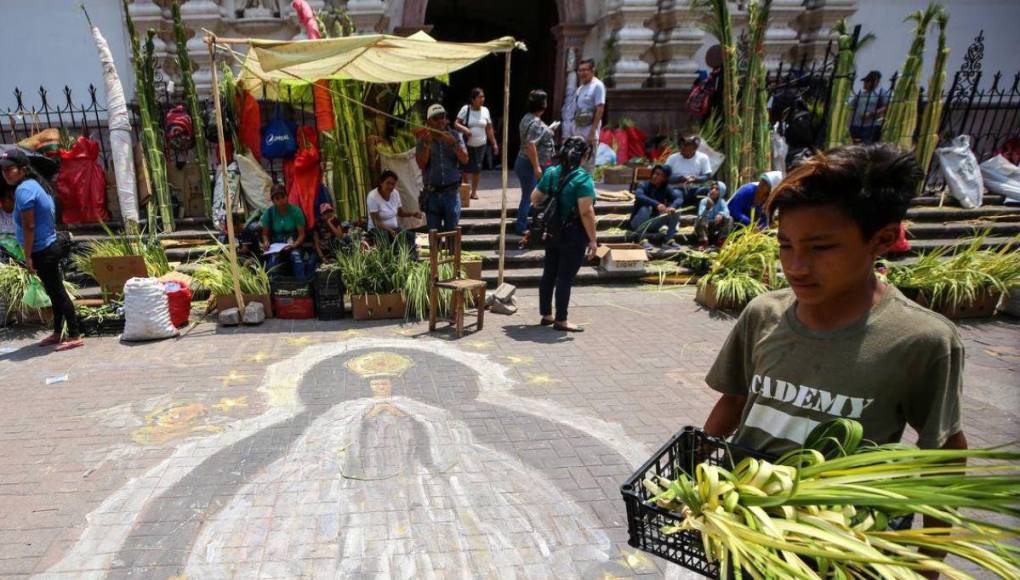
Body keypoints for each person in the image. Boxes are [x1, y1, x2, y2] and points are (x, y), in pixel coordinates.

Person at [702, 146, 968, 521]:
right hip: (747, 523)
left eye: (821, 248)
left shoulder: (922, 340)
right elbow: (734, 401)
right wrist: (691, 471)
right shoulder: (764, 314)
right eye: (785, 245)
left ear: (882, 239)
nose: (795, 267)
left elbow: (943, 456)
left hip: (841, 541)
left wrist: (928, 562)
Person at [1, 148, 82, 350]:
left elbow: (29, 226)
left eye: (10, 169)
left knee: (58, 293)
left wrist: (27, 256)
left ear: (22, 169)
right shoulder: (33, 185)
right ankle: (57, 332)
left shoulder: (24, 190)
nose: (5, 173)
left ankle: (74, 334)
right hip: (46, 246)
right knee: (54, 292)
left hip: (42, 249)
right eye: (3, 170)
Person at [530, 137, 598, 332]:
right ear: (584, 155)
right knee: (565, 277)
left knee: (549, 273)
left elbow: (534, 199)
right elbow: (586, 211)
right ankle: (561, 320)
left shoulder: (551, 172)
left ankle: (546, 315)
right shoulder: (583, 178)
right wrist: (593, 240)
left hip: (551, 230)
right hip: (573, 233)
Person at [416, 104, 468, 232]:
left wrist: (454, 144)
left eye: (442, 117)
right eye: (436, 118)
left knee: (452, 233)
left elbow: (465, 159)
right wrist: (427, 145)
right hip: (432, 194)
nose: (440, 121)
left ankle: (452, 252)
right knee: (434, 235)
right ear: (429, 122)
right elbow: (421, 165)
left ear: (446, 119)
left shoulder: (455, 135)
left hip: (451, 193)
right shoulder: (422, 139)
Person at [514, 89, 557, 236]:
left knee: (530, 195)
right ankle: (521, 226)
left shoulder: (527, 118)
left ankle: (528, 221)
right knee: (529, 195)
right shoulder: (535, 122)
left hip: (524, 162)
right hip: (528, 164)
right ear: (543, 105)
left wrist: (548, 130)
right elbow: (530, 145)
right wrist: (537, 167)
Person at [261, 184, 314, 279]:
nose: (281, 201)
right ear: (273, 201)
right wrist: (266, 242)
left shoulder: (296, 211)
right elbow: (265, 234)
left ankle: (301, 287)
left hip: (294, 244)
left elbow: (302, 234)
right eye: (277, 199)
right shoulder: (268, 214)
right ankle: (276, 288)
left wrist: (295, 244)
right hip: (277, 247)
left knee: (296, 257)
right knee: (272, 264)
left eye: (283, 197)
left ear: (287, 196)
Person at [455, 88, 498, 200]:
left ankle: (474, 192)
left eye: (483, 97)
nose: (482, 99)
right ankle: (466, 190)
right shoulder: (466, 109)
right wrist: (465, 130)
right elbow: (456, 124)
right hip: (466, 144)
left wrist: (494, 143)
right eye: (480, 97)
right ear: (473, 99)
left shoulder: (485, 111)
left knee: (477, 169)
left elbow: (489, 128)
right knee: (464, 168)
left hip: (481, 145)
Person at [629, 164, 683, 251]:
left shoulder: (666, 188)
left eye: (658, 174)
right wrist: (656, 204)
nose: (654, 176)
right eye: (654, 173)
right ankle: (641, 239)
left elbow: (679, 198)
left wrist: (672, 207)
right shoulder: (643, 185)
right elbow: (639, 195)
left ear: (664, 178)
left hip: (653, 223)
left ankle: (668, 240)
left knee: (676, 211)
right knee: (646, 208)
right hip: (637, 223)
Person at [567, 59, 606, 172]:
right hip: (577, 135)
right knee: (576, 168)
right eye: (580, 70)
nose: (582, 73)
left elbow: (600, 108)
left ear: (592, 70)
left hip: (589, 136)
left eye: (585, 70)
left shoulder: (597, 86)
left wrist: (592, 132)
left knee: (587, 170)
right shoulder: (580, 88)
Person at [366, 170, 422, 249]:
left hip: (393, 229)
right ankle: (389, 259)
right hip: (377, 230)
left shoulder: (395, 193)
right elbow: (376, 221)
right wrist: (390, 230)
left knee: (410, 236)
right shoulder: (372, 196)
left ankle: (411, 258)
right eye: (388, 183)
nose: (390, 186)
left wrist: (413, 214)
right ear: (381, 183)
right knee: (386, 237)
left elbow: (400, 213)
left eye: (393, 184)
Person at [663, 134, 716, 206]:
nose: (685, 152)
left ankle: (700, 209)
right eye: (682, 149)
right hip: (677, 189)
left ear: (695, 148)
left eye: (688, 150)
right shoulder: (672, 158)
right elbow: (664, 177)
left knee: (707, 191)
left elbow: (707, 176)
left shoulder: (703, 158)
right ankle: (674, 208)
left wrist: (696, 179)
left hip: (695, 189)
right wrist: (680, 178)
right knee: (675, 195)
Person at [849, 71, 888, 144]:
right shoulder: (861, 94)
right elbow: (851, 106)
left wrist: (871, 114)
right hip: (856, 125)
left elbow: (887, 107)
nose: (864, 84)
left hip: (871, 126)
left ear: (876, 82)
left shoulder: (881, 92)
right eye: (865, 81)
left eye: (867, 81)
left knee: (866, 146)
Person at [694, 181, 732, 249]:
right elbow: (700, 215)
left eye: (716, 189)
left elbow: (727, 212)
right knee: (699, 219)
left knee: (729, 219)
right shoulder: (704, 201)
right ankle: (703, 242)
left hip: (716, 224)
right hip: (705, 225)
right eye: (712, 188)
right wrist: (707, 209)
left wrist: (721, 214)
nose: (713, 191)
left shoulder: (722, 202)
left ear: (721, 192)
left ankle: (721, 241)